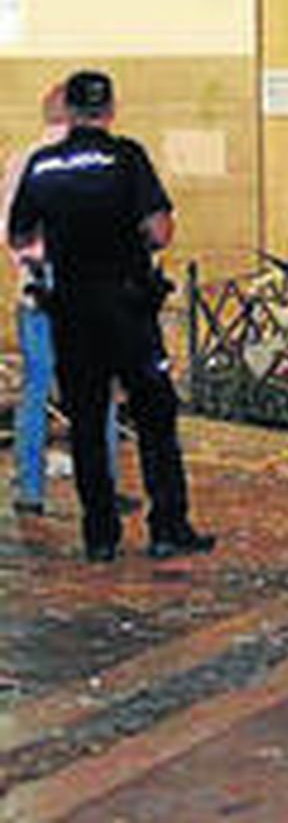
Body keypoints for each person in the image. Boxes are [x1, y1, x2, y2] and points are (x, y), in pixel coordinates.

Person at [7, 70, 213, 562]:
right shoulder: (126, 158)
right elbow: (160, 231)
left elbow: (19, 235)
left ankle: (99, 535)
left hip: (72, 312)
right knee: (154, 417)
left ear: (70, 111)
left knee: (85, 422)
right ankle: (167, 526)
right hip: (128, 309)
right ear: (110, 109)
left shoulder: (42, 166)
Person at [3, 82, 126, 517]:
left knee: (36, 390)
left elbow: (12, 231)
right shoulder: (101, 160)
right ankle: (103, 489)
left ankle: (30, 490)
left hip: (37, 293)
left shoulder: (22, 162)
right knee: (99, 391)